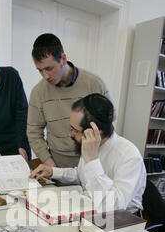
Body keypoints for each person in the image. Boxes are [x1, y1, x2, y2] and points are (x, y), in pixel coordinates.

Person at [30, 93, 146, 214]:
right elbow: (82, 174)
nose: (70, 134)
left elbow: (113, 206)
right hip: (90, 209)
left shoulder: (129, 155)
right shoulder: (92, 144)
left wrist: (92, 160)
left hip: (120, 219)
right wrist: (53, 172)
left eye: (75, 130)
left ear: (95, 131)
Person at [27, 34, 115, 168]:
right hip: (58, 165)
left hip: (92, 162)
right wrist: (49, 162)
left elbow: (109, 120)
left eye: (49, 69)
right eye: (40, 70)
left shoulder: (94, 84)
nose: (45, 76)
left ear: (63, 59)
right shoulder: (38, 92)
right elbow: (33, 132)